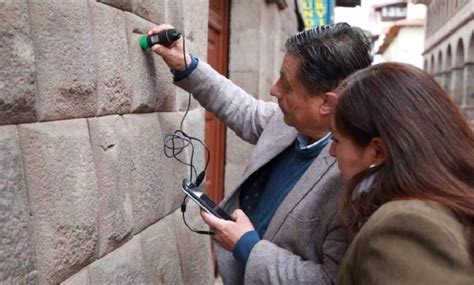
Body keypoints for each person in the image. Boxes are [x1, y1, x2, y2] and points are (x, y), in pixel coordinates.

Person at [149, 23, 371, 284]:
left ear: (327, 103)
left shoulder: (355, 178)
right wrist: (186, 64)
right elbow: (242, 108)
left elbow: (331, 281)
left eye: (287, 85)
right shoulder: (289, 122)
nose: (274, 90)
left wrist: (249, 248)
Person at [328, 62, 474, 285]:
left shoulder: (406, 226)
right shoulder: (441, 200)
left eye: (337, 140)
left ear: (377, 152)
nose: (332, 151)